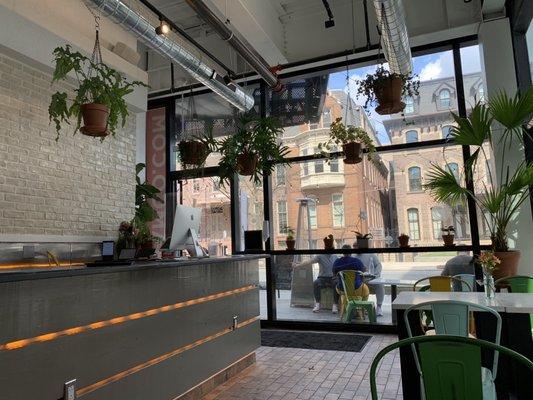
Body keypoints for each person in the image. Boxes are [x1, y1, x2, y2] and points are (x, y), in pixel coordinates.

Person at [353, 241, 384, 316]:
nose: (354, 247)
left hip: (371, 279)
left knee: (380, 285)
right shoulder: (353, 256)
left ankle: (379, 307)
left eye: (356, 246)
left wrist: (376, 275)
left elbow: (378, 265)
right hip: (358, 281)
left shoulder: (371, 254)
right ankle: (361, 307)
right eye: (353, 246)